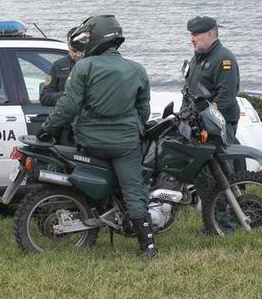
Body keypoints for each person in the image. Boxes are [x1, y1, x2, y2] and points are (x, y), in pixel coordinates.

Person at [39, 15, 156, 258]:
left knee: (86, 185)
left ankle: (90, 223)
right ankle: (148, 246)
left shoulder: (84, 67)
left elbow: (68, 106)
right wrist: (134, 129)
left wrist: (47, 129)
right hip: (125, 144)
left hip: (90, 142)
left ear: (96, 39)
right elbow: (143, 110)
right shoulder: (137, 69)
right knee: (134, 190)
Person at [184, 16, 243, 171]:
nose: (192, 39)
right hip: (198, 123)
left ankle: (227, 195)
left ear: (211, 34)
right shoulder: (197, 58)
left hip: (218, 124)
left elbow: (226, 97)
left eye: (196, 34)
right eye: (191, 34)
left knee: (220, 168)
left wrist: (206, 119)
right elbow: (189, 92)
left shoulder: (224, 59)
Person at [39, 27, 82, 146]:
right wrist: (68, 96)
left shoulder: (95, 66)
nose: (77, 55)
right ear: (68, 46)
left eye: (80, 51)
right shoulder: (58, 66)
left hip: (88, 127)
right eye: (73, 50)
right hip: (65, 128)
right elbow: (45, 97)